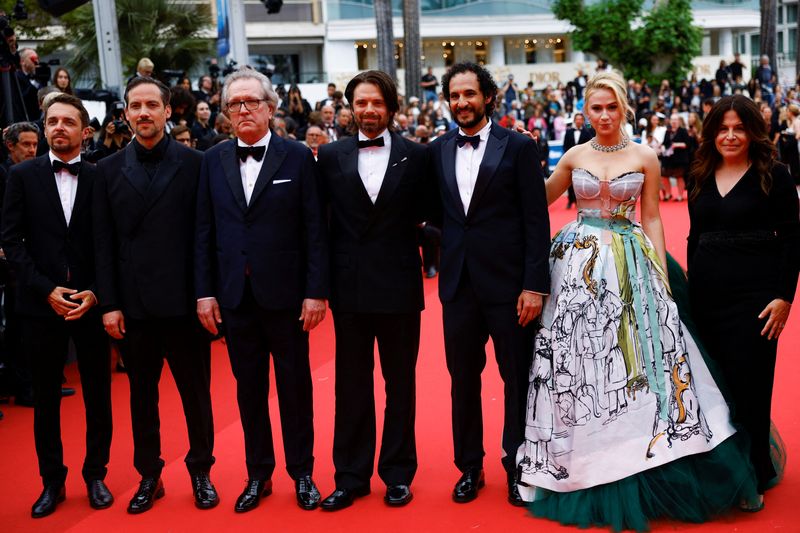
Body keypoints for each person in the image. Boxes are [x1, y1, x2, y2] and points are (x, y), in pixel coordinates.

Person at [516, 71, 758, 531]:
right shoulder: (574, 155)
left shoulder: (644, 155)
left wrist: (662, 277)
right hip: (575, 267)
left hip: (632, 263)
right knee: (580, 363)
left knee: (644, 363)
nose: (604, 116)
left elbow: (651, 216)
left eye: (611, 107)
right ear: (585, 112)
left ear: (624, 108)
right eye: (596, 108)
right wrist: (525, 158)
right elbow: (537, 201)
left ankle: (652, 448)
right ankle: (585, 456)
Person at [195, 66, 328, 513]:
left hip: (288, 298)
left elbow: (315, 228)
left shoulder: (297, 157)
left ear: (271, 108)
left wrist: (315, 291)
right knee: (247, 391)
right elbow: (204, 231)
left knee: (295, 389)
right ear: (226, 113)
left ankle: (303, 473)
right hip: (235, 297)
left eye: (253, 101)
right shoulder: (211, 161)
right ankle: (258, 474)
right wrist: (205, 292)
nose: (245, 109)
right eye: (236, 103)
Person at [93, 77, 217, 514]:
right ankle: (150, 475)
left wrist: (207, 295)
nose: (143, 113)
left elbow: (206, 236)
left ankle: (201, 470)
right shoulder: (105, 171)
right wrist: (109, 304)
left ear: (169, 111)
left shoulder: (198, 163)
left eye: (151, 105)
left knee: (195, 395)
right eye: (134, 106)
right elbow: (102, 245)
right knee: (141, 398)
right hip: (134, 307)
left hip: (184, 304)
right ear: (125, 114)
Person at [429, 62, 550, 506]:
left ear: (488, 98)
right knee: (463, 379)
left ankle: (518, 465)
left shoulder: (518, 147)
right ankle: (469, 467)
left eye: (469, 94)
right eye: (455, 95)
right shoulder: (437, 149)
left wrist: (534, 285)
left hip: (511, 288)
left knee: (517, 379)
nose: (461, 102)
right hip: (458, 286)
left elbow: (537, 221)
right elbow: (432, 213)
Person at [316, 70, 435, 511]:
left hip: (400, 286)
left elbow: (438, 212)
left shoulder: (418, 156)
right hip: (348, 287)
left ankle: (398, 473)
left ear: (391, 108)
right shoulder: (328, 156)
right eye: (360, 103)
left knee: (399, 384)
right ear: (350, 107)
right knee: (350, 386)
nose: (368, 110)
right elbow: (319, 225)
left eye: (377, 103)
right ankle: (350, 476)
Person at [1, 93, 113, 518]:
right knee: (46, 398)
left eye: (69, 121)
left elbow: (111, 242)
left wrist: (96, 291)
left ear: (85, 131)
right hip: (40, 306)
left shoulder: (102, 176)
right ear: (44, 128)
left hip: (90, 303)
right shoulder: (22, 176)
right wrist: (47, 289)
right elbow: (11, 241)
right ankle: (52, 481)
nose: (60, 128)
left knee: (98, 395)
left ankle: (95, 474)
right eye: (53, 121)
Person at [688, 94, 800, 511]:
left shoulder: (775, 175)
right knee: (713, 388)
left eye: (738, 128)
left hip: (755, 300)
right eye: (722, 128)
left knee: (751, 388)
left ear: (753, 131)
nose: (730, 136)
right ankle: (720, 470)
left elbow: (792, 241)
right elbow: (693, 239)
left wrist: (784, 297)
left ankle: (752, 472)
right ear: (712, 132)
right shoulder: (699, 173)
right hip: (705, 297)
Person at [561, 112, 594, 208]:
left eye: (580, 119)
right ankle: (570, 201)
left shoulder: (587, 132)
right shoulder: (568, 132)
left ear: (583, 121)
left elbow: (589, 147)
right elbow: (565, 145)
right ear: (574, 121)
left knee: (581, 181)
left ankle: (580, 201)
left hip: (583, 161)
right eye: (577, 119)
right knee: (569, 181)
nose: (579, 121)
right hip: (570, 160)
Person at [661, 114, 691, 200]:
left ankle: (680, 195)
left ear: (679, 121)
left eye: (675, 120)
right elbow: (664, 143)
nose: (674, 122)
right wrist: (663, 147)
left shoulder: (683, 131)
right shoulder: (668, 131)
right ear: (670, 121)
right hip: (668, 158)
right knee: (664, 176)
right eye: (672, 120)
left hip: (679, 158)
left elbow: (687, 144)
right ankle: (668, 194)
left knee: (679, 177)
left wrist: (677, 144)